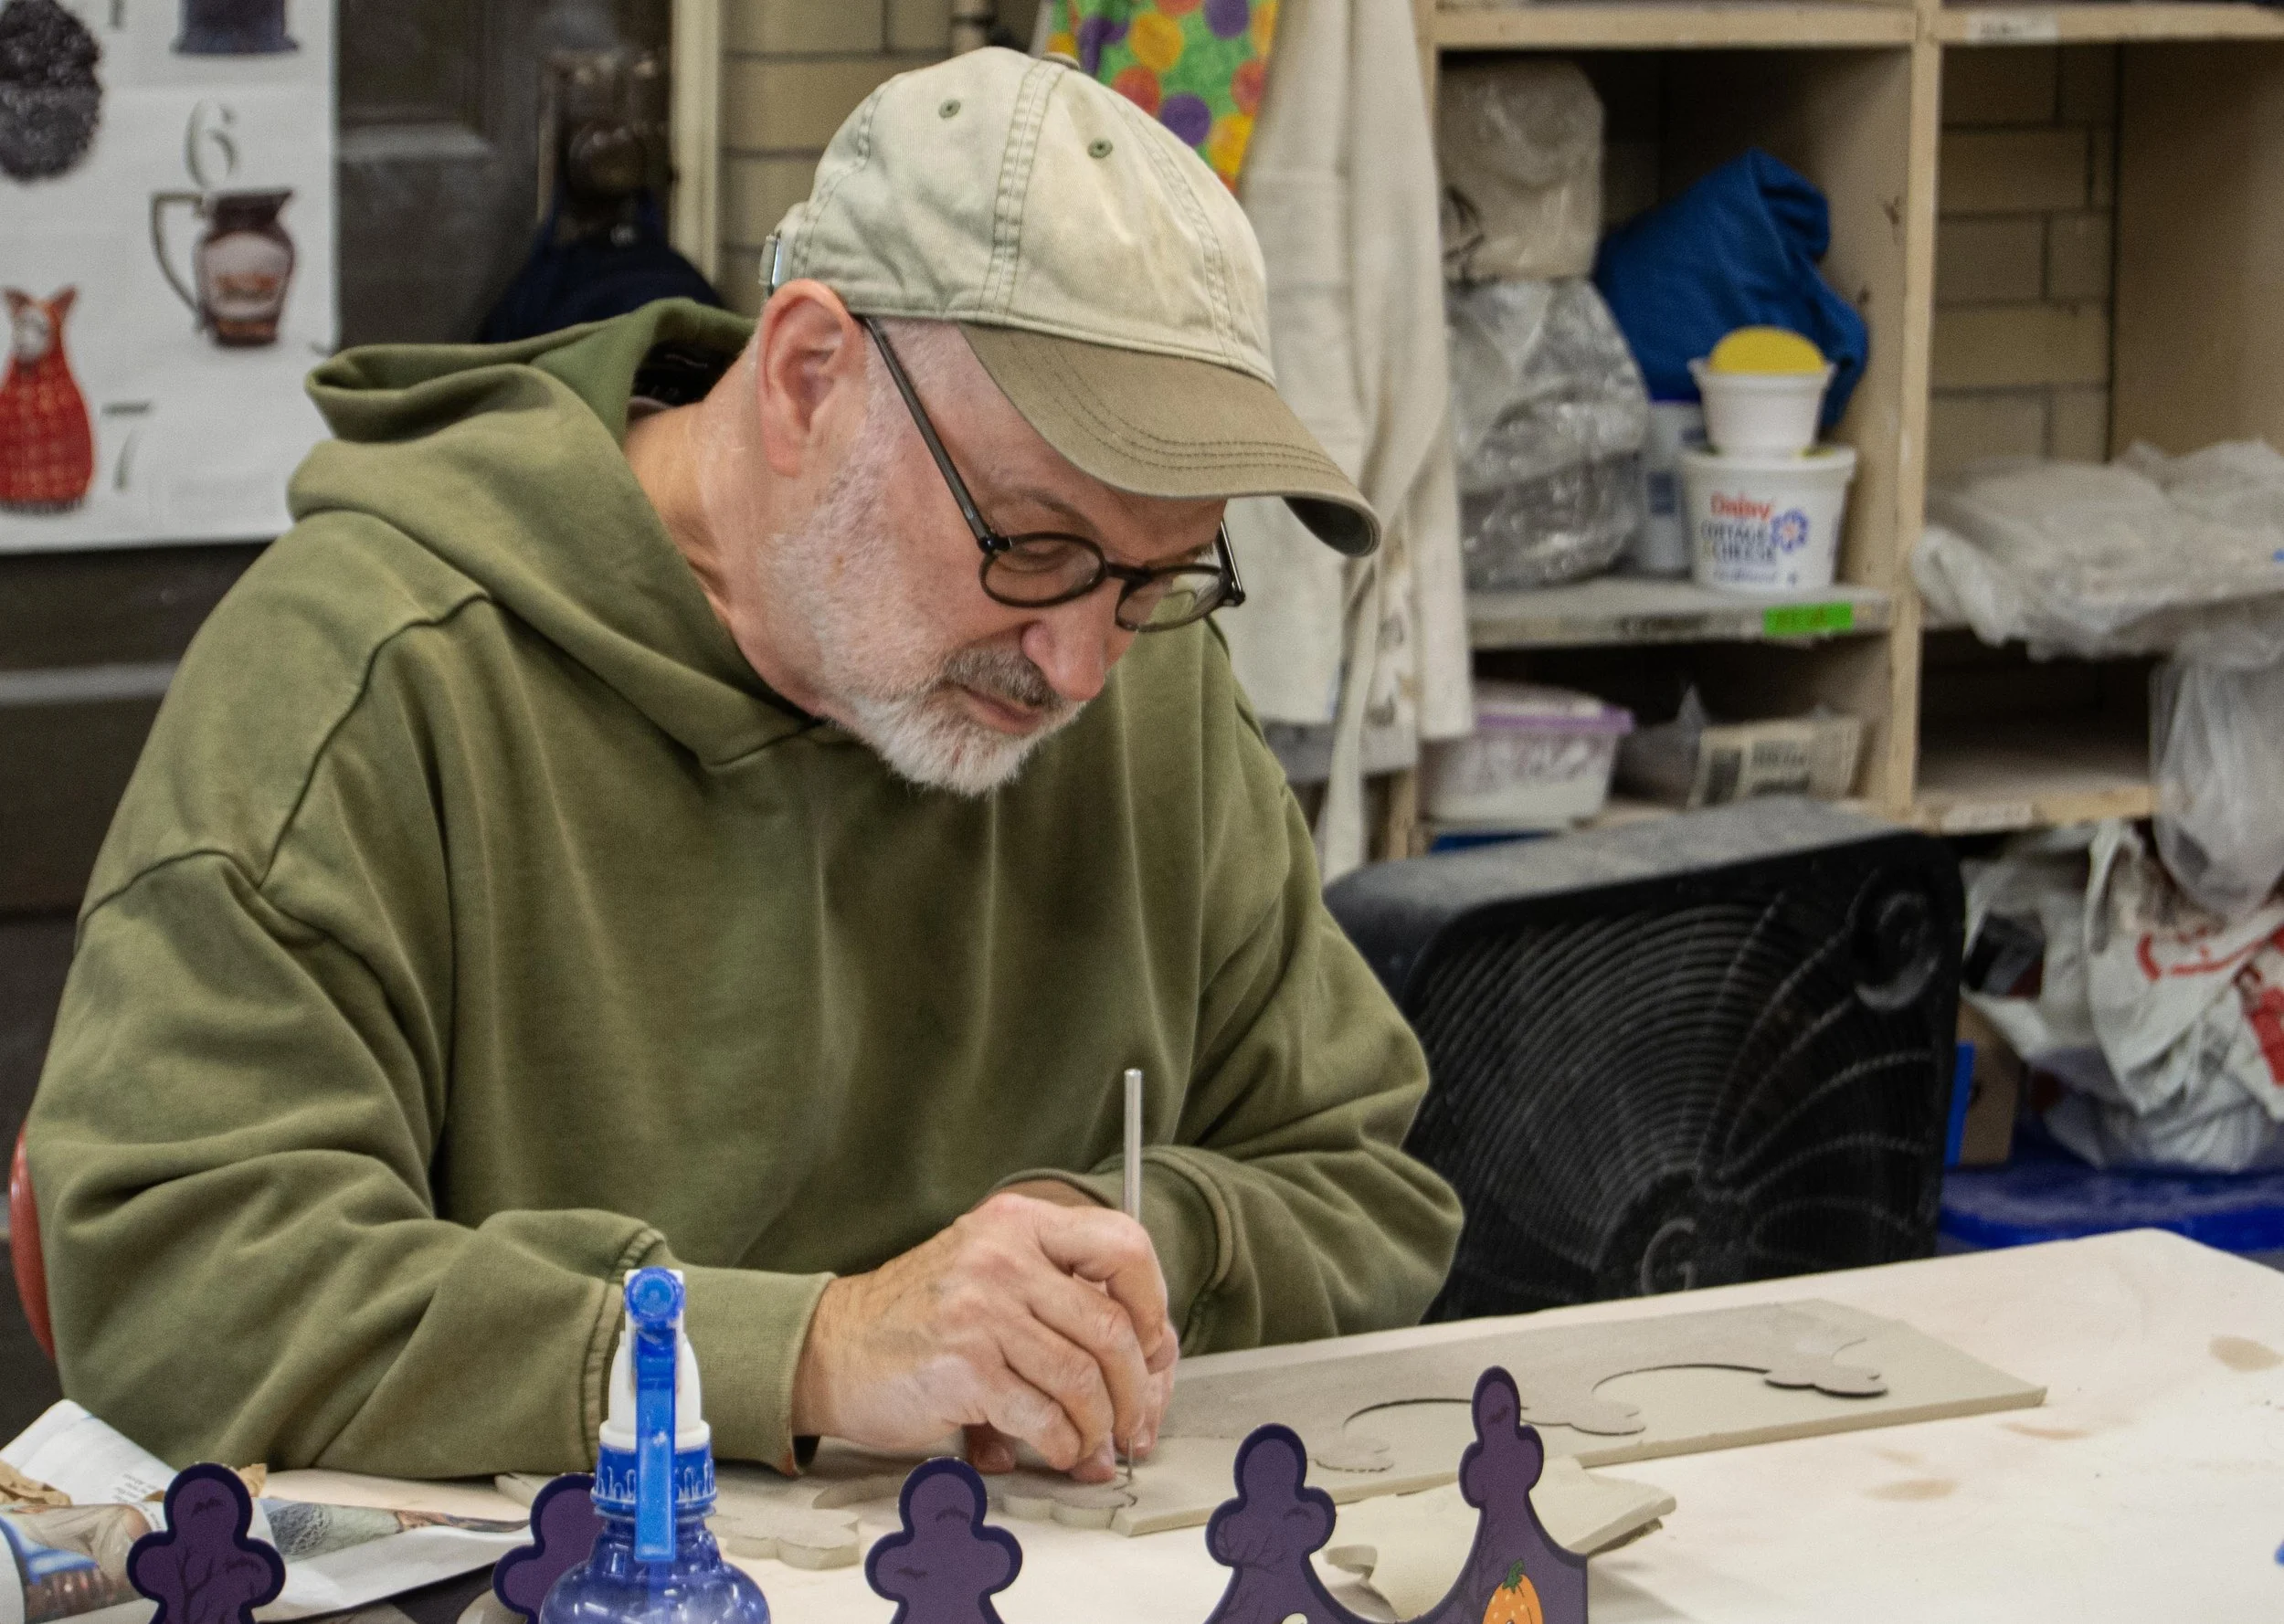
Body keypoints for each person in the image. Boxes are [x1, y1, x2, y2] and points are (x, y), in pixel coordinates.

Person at [26, 47, 1460, 1484]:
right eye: (1031, 545)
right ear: (806, 374)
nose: (1081, 664)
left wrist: (1126, 1250)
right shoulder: (374, 676)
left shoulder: (1141, 689)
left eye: (1159, 574)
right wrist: (813, 1349)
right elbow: (176, 1282)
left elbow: (1366, 1184)